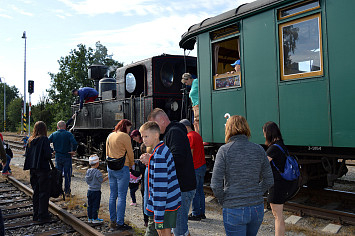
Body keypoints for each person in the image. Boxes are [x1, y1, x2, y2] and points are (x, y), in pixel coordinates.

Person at [211, 115, 274, 236]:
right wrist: (255, 192)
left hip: (233, 208)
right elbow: (269, 180)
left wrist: (224, 199)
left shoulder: (224, 151)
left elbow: (215, 184)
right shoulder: (259, 149)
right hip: (256, 208)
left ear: (228, 129)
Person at [147, 108, 196, 236]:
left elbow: (178, 158)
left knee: (179, 229)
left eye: (155, 125)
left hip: (183, 187)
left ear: (162, 120)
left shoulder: (174, 132)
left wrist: (154, 159)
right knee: (179, 228)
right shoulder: (173, 132)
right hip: (181, 187)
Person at [139, 121, 181, 236]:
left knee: (162, 232)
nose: (143, 139)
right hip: (168, 202)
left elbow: (160, 188)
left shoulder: (159, 156)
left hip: (164, 205)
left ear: (156, 135)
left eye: (146, 136)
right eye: (142, 136)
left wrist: (158, 215)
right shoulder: (162, 149)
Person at [262, 121, 299, 236]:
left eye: (264, 132)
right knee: (279, 215)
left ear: (268, 133)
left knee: (277, 216)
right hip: (282, 183)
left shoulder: (273, 149)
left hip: (277, 185)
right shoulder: (281, 145)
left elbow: (262, 164)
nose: (263, 135)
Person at [106, 119, 134, 230]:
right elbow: (130, 152)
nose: (129, 130)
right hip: (122, 167)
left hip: (111, 167)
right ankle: (120, 223)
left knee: (113, 195)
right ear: (125, 126)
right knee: (122, 196)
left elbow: (107, 152)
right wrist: (131, 164)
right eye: (129, 127)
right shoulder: (125, 136)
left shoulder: (110, 135)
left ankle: (112, 220)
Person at [24, 121, 53, 222]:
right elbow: (47, 155)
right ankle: (43, 215)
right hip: (43, 169)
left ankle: (35, 214)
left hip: (33, 170)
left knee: (36, 192)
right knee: (44, 193)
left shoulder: (30, 140)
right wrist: (51, 153)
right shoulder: (44, 139)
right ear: (44, 129)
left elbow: (27, 155)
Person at [180, 119, 206, 221]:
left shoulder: (189, 137)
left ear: (186, 127)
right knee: (200, 191)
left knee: (194, 192)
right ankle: (202, 212)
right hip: (202, 166)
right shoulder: (197, 135)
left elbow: (189, 154)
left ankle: (195, 213)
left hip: (195, 167)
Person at [48, 120, 78, 197]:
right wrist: (73, 151)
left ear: (58, 127)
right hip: (67, 156)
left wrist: (52, 151)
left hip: (58, 156)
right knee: (67, 174)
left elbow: (47, 142)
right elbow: (74, 143)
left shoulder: (54, 134)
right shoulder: (68, 134)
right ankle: (67, 191)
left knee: (58, 175)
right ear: (65, 126)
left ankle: (59, 191)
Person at [86, 154, 108, 223]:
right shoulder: (97, 172)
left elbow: (87, 180)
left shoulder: (88, 171)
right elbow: (101, 181)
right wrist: (107, 177)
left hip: (89, 190)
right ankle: (95, 218)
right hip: (96, 191)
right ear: (97, 163)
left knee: (90, 205)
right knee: (96, 205)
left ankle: (90, 218)